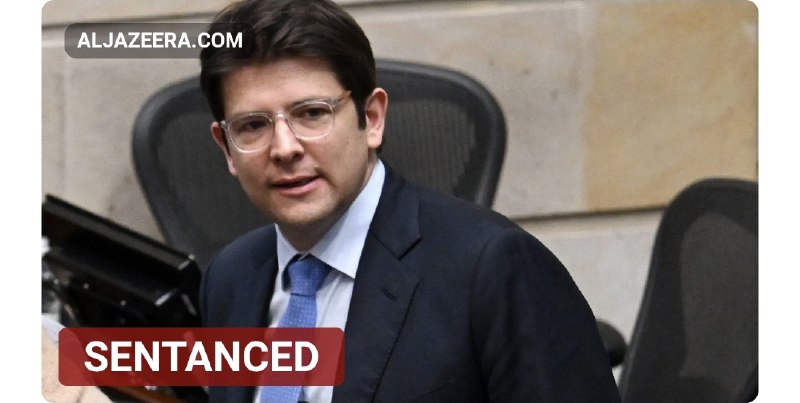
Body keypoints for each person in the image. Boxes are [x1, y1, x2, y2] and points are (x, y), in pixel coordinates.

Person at [198, 0, 620, 402]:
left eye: (312, 113)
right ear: (226, 148)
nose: (285, 148)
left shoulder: (494, 267)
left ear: (373, 119)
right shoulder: (229, 277)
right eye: (253, 125)